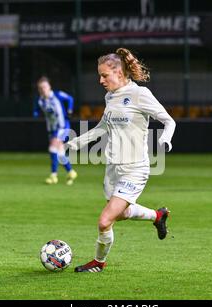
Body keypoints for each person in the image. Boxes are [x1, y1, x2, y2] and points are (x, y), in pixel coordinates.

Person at [66, 48, 176, 272]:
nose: (100, 80)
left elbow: (169, 121)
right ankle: (158, 216)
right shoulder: (110, 97)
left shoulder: (140, 94)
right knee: (123, 213)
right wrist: (75, 143)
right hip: (113, 169)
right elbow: (103, 127)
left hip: (135, 169)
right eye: (100, 75)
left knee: (105, 221)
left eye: (104, 75)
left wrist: (165, 140)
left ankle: (98, 263)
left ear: (119, 72)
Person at [33, 77, 77, 185]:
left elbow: (70, 99)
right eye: (40, 88)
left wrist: (70, 110)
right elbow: (36, 111)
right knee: (60, 153)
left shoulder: (57, 95)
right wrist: (35, 114)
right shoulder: (40, 100)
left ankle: (53, 175)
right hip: (52, 129)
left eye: (44, 87)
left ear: (49, 87)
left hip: (63, 126)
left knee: (52, 148)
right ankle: (71, 172)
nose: (43, 90)